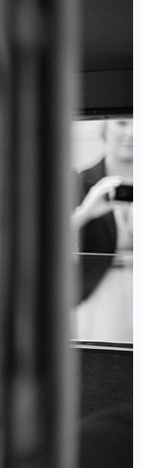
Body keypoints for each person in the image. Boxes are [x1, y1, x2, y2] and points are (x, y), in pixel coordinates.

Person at [71, 118, 133, 342]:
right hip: (97, 294)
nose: (132, 133)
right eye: (122, 123)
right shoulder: (80, 181)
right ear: (105, 128)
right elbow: (52, 243)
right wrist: (85, 211)